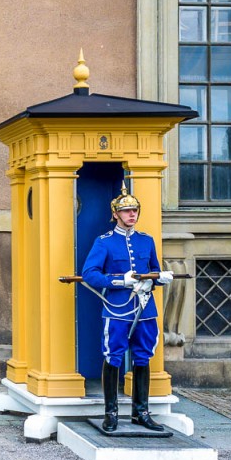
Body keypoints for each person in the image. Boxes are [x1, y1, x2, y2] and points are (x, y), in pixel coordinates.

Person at [81, 183, 173, 432]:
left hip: (144, 308)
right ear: (115, 214)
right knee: (114, 356)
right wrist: (120, 280)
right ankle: (110, 413)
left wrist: (158, 278)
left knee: (143, 356)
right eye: (126, 211)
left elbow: (153, 269)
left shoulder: (146, 241)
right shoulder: (104, 242)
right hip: (118, 307)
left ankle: (141, 412)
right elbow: (89, 274)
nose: (132, 215)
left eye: (134, 210)